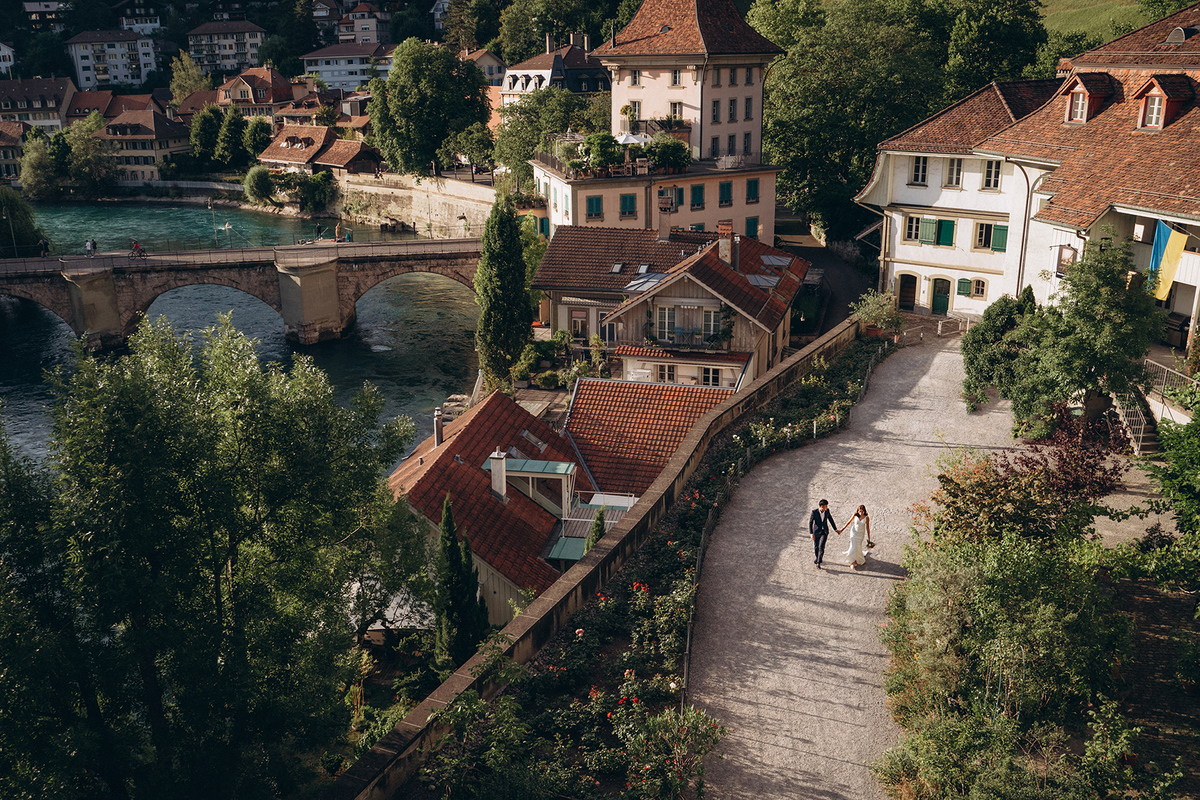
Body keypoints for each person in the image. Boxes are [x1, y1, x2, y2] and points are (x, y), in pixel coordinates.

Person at [809, 499, 837, 569]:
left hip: (824, 532)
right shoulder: (814, 512)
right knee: (816, 546)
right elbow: (810, 523)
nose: (827, 507)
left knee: (821, 546)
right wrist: (811, 533)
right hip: (816, 532)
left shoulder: (827, 511)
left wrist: (835, 529)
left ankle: (819, 562)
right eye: (826, 506)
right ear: (822, 506)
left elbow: (830, 519)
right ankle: (817, 557)